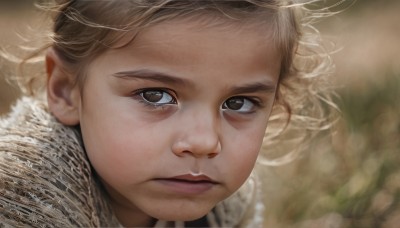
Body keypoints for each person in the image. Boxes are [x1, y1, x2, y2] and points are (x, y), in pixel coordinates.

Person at [0, 0, 337, 227]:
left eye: (238, 103)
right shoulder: (23, 193)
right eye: (156, 95)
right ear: (65, 90)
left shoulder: (227, 208)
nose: (204, 142)